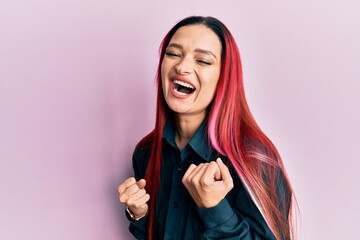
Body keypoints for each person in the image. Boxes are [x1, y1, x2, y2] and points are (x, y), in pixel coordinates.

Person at [117, 16, 296, 240]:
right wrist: (139, 214)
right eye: (173, 54)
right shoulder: (145, 153)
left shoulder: (255, 158)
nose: (182, 66)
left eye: (202, 61)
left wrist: (213, 208)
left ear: (224, 77)